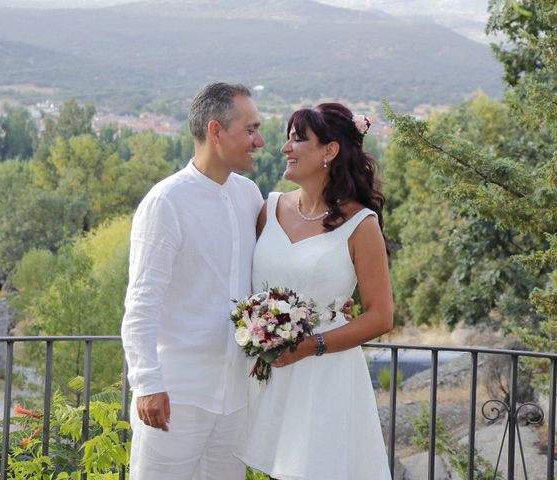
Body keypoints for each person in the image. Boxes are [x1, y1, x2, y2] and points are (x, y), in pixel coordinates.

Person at [236, 103, 393, 479]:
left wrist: (310, 346)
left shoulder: (360, 223)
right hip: (267, 371)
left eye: (297, 139)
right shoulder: (267, 208)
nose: (285, 148)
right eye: (287, 139)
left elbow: (380, 315)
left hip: (325, 373)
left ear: (330, 150)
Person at [120, 82, 265, 479]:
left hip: (235, 397)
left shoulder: (250, 195)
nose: (260, 140)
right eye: (250, 130)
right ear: (216, 131)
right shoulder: (166, 202)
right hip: (175, 397)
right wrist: (147, 383)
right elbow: (141, 302)